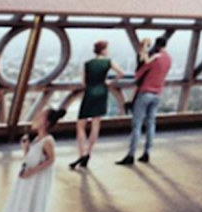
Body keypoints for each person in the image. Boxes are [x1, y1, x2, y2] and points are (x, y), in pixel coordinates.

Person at [2, 108, 66, 212]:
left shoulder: (47, 140)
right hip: (33, 178)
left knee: (36, 205)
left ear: (45, 123)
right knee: (32, 204)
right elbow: (33, 158)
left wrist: (32, 171)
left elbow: (51, 159)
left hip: (39, 179)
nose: (35, 118)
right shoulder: (37, 139)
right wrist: (25, 149)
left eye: (39, 116)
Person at [117, 36, 172, 166]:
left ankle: (131, 154)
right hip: (158, 93)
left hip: (145, 93)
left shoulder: (156, 58)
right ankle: (147, 152)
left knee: (137, 125)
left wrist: (144, 48)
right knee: (151, 124)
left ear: (157, 45)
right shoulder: (169, 59)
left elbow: (141, 69)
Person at [70, 40, 124, 170]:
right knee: (95, 124)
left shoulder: (87, 64)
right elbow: (121, 73)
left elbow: (83, 82)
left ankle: (81, 153)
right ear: (104, 50)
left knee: (81, 125)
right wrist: (109, 82)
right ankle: (89, 152)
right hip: (101, 91)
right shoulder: (108, 62)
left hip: (89, 92)